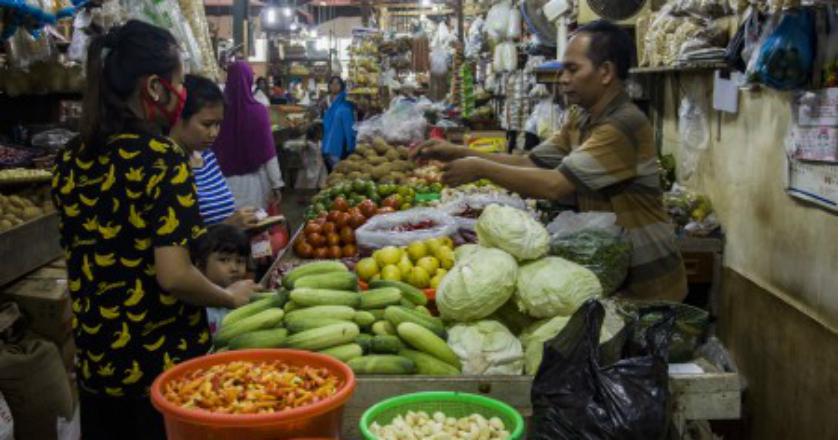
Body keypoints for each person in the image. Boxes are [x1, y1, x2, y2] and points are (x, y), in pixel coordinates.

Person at [51, 20, 258, 440]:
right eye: (179, 83)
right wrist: (228, 297)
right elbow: (174, 275)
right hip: (159, 369)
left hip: (98, 364)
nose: (182, 94)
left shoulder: (71, 157)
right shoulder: (161, 158)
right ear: (154, 88)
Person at [413, 20, 687, 302]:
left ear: (605, 72)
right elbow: (532, 163)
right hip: (614, 266)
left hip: (647, 278)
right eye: (562, 69)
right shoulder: (582, 118)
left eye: (573, 69)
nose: (563, 79)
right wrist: (461, 152)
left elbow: (555, 185)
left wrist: (480, 168)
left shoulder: (623, 124)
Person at [169, 74, 260, 228]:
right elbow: (176, 241)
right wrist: (227, 227)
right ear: (179, 117)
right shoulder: (167, 166)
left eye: (218, 124)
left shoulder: (207, 157)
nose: (214, 133)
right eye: (207, 124)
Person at [213, 62, 284, 211]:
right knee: (253, 227)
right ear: (249, 80)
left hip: (220, 185)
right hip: (252, 186)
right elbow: (268, 151)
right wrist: (276, 183)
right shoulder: (259, 112)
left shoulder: (216, 110)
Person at [190, 224, 251, 335]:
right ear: (200, 266)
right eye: (224, 260)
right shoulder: (198, 305)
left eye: (240, 261)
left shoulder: (245, 296)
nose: (234, 268)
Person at [321, 76, 356, 170]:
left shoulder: (346, 104)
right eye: (332, 83)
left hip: (338, 149)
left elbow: (349, 129)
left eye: (337, 83)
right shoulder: (328, 103)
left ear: (342, 86)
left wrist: (351, 148)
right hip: (327, 147)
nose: (334, 86)